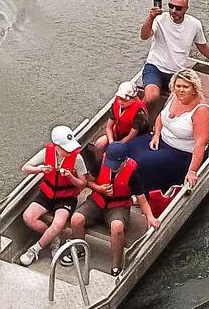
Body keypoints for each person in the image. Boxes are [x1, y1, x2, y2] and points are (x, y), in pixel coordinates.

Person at [67, 119, 151, 277]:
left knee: (117, 227)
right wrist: (98, 188)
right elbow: (88, 182)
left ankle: (116, 265)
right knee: (76, 219)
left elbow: (142, 198)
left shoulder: (132, 172)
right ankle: (79, 250)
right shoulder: (100, 164)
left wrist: (150, 217)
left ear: (124, 161)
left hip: (118, 205)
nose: (111, 167)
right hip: (97, 200)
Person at [137, 0, 209, 99]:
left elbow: (203, 47)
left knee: (177, 100)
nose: (174, 11)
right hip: (155, 67)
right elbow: (144, 35)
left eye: (178, 8)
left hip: (177, 72)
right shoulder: (159, 20)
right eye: (171, 6)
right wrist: (151, 18)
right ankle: (139, 114)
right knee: (152, 96)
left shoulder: (194, 24)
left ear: (186, 9)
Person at [16, 125, 88, 267]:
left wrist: (71, 177)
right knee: (28, 217)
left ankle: (35, 249)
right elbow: (26, 168)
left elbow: (83, 184)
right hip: (47, 193)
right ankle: (54, 237)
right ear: (57, 146)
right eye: (65, 148)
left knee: (58, 223)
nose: (70, 150)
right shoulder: (46, 153)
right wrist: (39, 169)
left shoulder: (77, 158)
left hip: (66, 197)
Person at [139, 68, 209, 192]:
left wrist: (192, 171)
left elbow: (201, 143)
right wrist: (156, 134)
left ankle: (147, 194)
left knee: (143, 163)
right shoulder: (174, 95)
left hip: (182, 153)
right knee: (129, 149)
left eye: (185, 87)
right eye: (178, 86)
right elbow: (161, 117)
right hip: (161, 141)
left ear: (194, 88)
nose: (181, 90)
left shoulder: (202, 110)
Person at [90, 79, 150, 164]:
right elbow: (109, 126)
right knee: (99, 144)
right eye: (120, 98)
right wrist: (111, 142)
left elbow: (131, 136)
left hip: (134, 137)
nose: (121, 102)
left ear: (134, 99)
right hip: (118, 132)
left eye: (125, 100)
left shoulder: (139, 113)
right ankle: (99, 165)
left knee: (122, 153)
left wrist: (116, 146)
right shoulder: (116, 104)